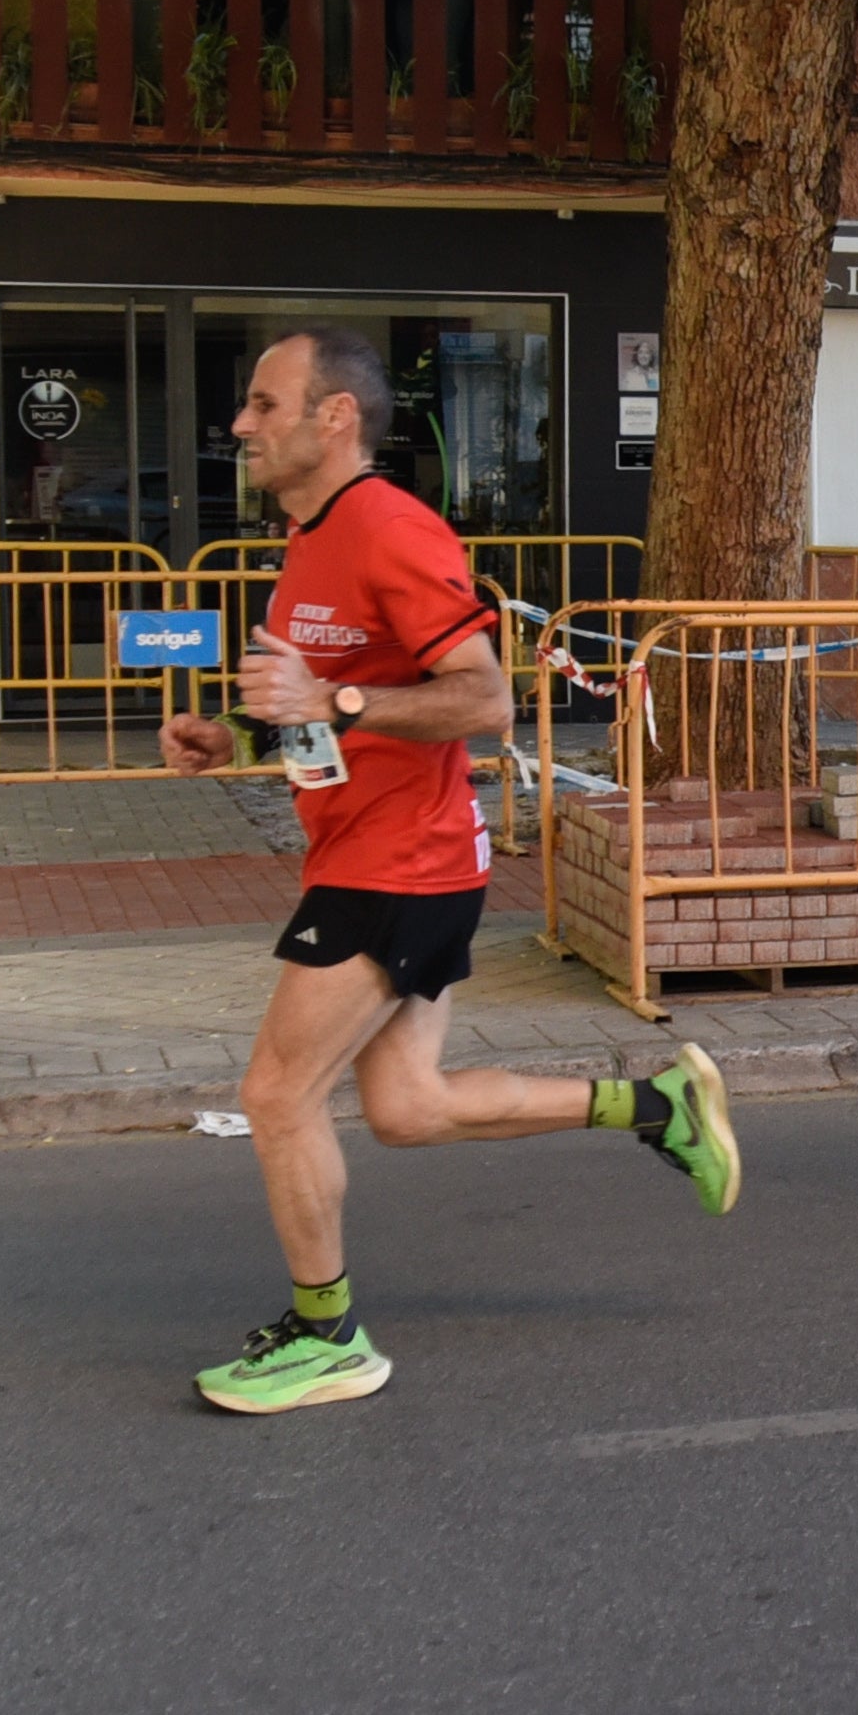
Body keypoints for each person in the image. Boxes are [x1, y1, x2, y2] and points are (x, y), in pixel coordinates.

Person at [156, 330, 740, 1416]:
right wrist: (234, 741)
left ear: (335, 419)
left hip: (400, 863)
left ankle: (326, 1335)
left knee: (277, 1095)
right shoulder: (311, 538)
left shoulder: (389, 530)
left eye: (262, 404)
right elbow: (332, 713)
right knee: (409, 1107)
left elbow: (482, 701)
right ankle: (657, 1107)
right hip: (379, 853)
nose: (240, 425)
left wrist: (331, 702)